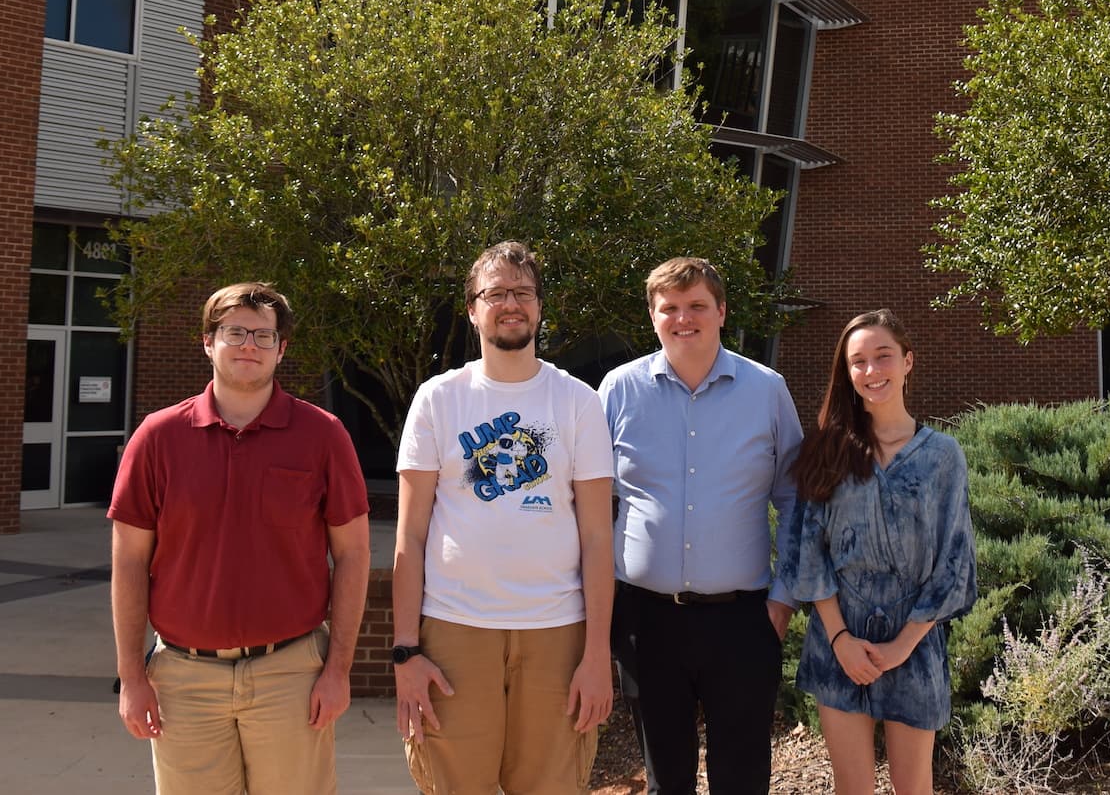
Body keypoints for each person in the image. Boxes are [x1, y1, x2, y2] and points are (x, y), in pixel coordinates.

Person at [108, 281, 371, 794]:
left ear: (282, 348)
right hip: (184, 679)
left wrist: (338, 669)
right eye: (234, 332)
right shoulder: (157, 438)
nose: (249, 345)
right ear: (208, 341)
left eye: (263, 336)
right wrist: (132, 677)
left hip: (291, 674)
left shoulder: (323, 435)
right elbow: (129, 564)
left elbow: (354, 554)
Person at [392, 240, 615, 795]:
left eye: (522, 292)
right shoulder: (438, 399)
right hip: (454, 631)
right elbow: (410, 535)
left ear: (540, 307)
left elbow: (597, 536)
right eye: (495, 293)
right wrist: (404, 652)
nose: (510, 303)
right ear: (472, 309)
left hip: (557, 634)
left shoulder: (578, 401)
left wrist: (596, 655)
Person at [599, 256, 805, 795]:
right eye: (669, 307)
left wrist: (782, 601)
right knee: (667, 779)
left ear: (721, 312)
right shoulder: (617, 391)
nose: (682, 318)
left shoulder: (767, 390)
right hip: (647, 622)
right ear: (653, 316)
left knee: (741, 779)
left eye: (696, 306)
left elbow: (795, 499)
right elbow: (594, 508)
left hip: (743, 622)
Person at [783, 309, 976, 795]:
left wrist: (902, 646)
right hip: (837, 642)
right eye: (858, 362)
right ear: (846, 373)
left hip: (915, 643)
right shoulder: (828, 449)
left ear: (908, 361)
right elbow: (807, 552)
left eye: (882, 357)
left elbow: (954, 561)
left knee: (915, 789)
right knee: (852, 789)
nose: (871, 371)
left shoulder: (942, 456)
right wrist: (841, 639)